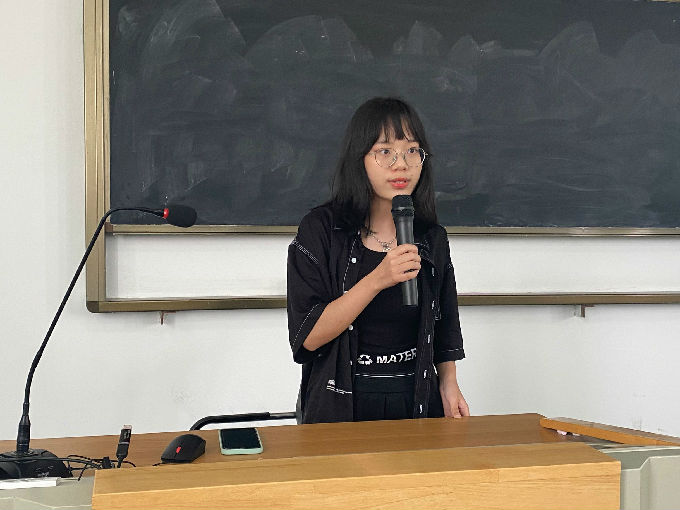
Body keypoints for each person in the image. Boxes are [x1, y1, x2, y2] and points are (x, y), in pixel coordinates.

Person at [287, 97, 468, 424]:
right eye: (385, 152)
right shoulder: (322, 231)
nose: (401, 165)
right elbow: (308, 337)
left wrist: (449, 382)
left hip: (416, 400)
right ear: (359, 159)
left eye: (412, 151)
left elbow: (445, 323)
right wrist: (377, 279)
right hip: (341, 402)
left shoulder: (431, 237)